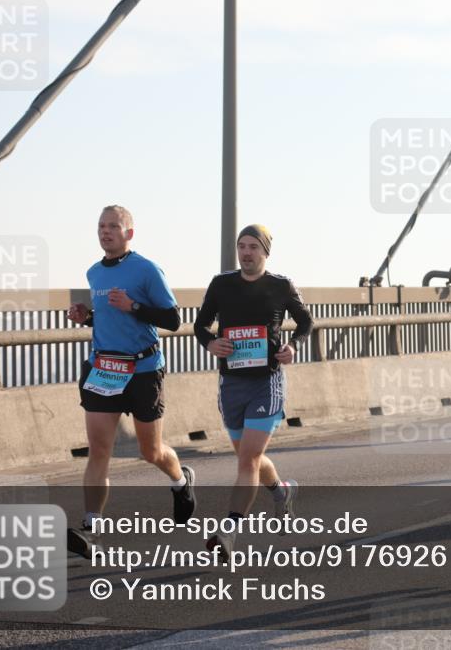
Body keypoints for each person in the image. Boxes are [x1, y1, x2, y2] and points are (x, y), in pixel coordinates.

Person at [66, 205, 195, 557]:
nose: (105, 232)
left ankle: (180, 481)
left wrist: (134, 306)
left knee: (150, 451)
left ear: (129, 233)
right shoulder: (93, 272)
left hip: (142, 370)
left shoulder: (147, 270)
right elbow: (107, 320)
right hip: (104, 369)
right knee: (99, 452)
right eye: (101, 226)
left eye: (113, 226)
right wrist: (86, 317)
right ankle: (91, 527)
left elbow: (171, 318)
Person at [194, 225, 313, 557]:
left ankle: (228, 532)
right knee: (250, 458)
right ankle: (282, 491)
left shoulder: (280, 286)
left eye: (253, 247)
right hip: (231, 383)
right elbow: (200, 324)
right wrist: (210, 342)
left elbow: (306, 323)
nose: (246, 252)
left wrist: (293, 346)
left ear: (265, 252)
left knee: (247, 459)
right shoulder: (221, 284)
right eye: (241, 246)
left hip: (267, 383)